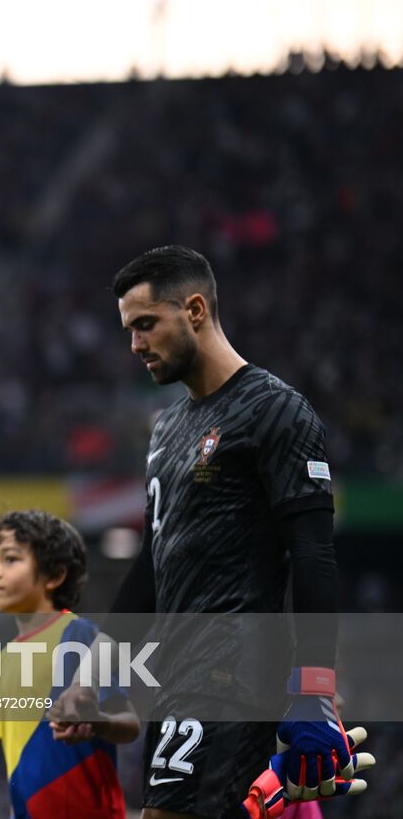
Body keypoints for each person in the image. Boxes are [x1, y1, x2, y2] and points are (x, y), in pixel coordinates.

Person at [105, 245, 355, 819]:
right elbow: (153, 561)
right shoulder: (167, 428)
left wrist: (315, 686)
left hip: (229, 678)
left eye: (146, 324)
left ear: (194, 309)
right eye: (128, 330)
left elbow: (314, 553)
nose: (135, 345)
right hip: (176, 680)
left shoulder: (275, 411)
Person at [0, 510, 138, 818]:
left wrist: (97, 722)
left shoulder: (78, 635)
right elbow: (16, 764)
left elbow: (129, 724)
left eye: (10, 560)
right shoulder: (5, 659)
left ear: (54, 576)